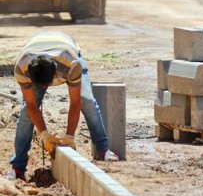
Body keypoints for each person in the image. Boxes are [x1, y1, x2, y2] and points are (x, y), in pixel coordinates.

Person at [7, 32, 119, 180]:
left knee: (87, 100)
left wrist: (69, 137)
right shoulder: (22, 68)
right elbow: (32, 106)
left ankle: (103, 149)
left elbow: (75, 102)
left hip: (67, 52)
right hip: (36, 51)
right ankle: (18, 167)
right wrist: (45, 135)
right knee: (26, 112)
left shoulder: (71, 64)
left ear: (55, 74)